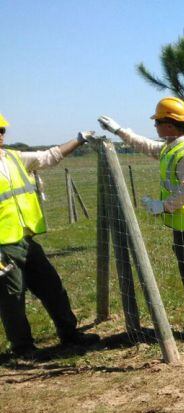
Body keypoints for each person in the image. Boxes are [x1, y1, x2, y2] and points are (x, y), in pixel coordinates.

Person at [97, 98, 184, 339]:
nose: (155, 126)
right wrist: (119, 131)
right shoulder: (171, 148)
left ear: (170, 124)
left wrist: (163, 206)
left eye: (158, 122)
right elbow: (146, 146)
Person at [0, 114, 99, 357]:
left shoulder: (15, 158)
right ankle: (23, 348)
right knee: (13, 299)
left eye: (2, 130)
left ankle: (70, 334)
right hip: (2, 247)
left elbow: (49, 156)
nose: (1, 135)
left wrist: (78, 140)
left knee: (52, 287)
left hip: (26, 240)